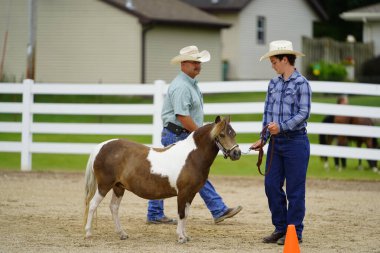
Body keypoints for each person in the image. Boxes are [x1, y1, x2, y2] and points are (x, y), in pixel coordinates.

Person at [146, 45, 242, 225]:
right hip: (179, 134)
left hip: (180, 134)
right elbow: (182, 116)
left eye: (199, 62)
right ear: (183, 64)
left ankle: (154, 213)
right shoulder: (182, 86)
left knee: (164, 172)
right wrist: (202, 135)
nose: (198, 65)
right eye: (193, 62)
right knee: (196, 173)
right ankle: (218, 209)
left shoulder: (189, 84)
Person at [250, 40, 311, 245]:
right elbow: (267, 113)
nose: (272, 65)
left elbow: (304, 113)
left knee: (295, 189)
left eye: (274, 61)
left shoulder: (302, 83)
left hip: (295, 142)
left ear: (285, 59)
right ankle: (280, 227)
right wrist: (263, 138)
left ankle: (294, 232)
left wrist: (282, 127)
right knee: (271, 185)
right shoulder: (273, 84)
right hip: (276, 143)